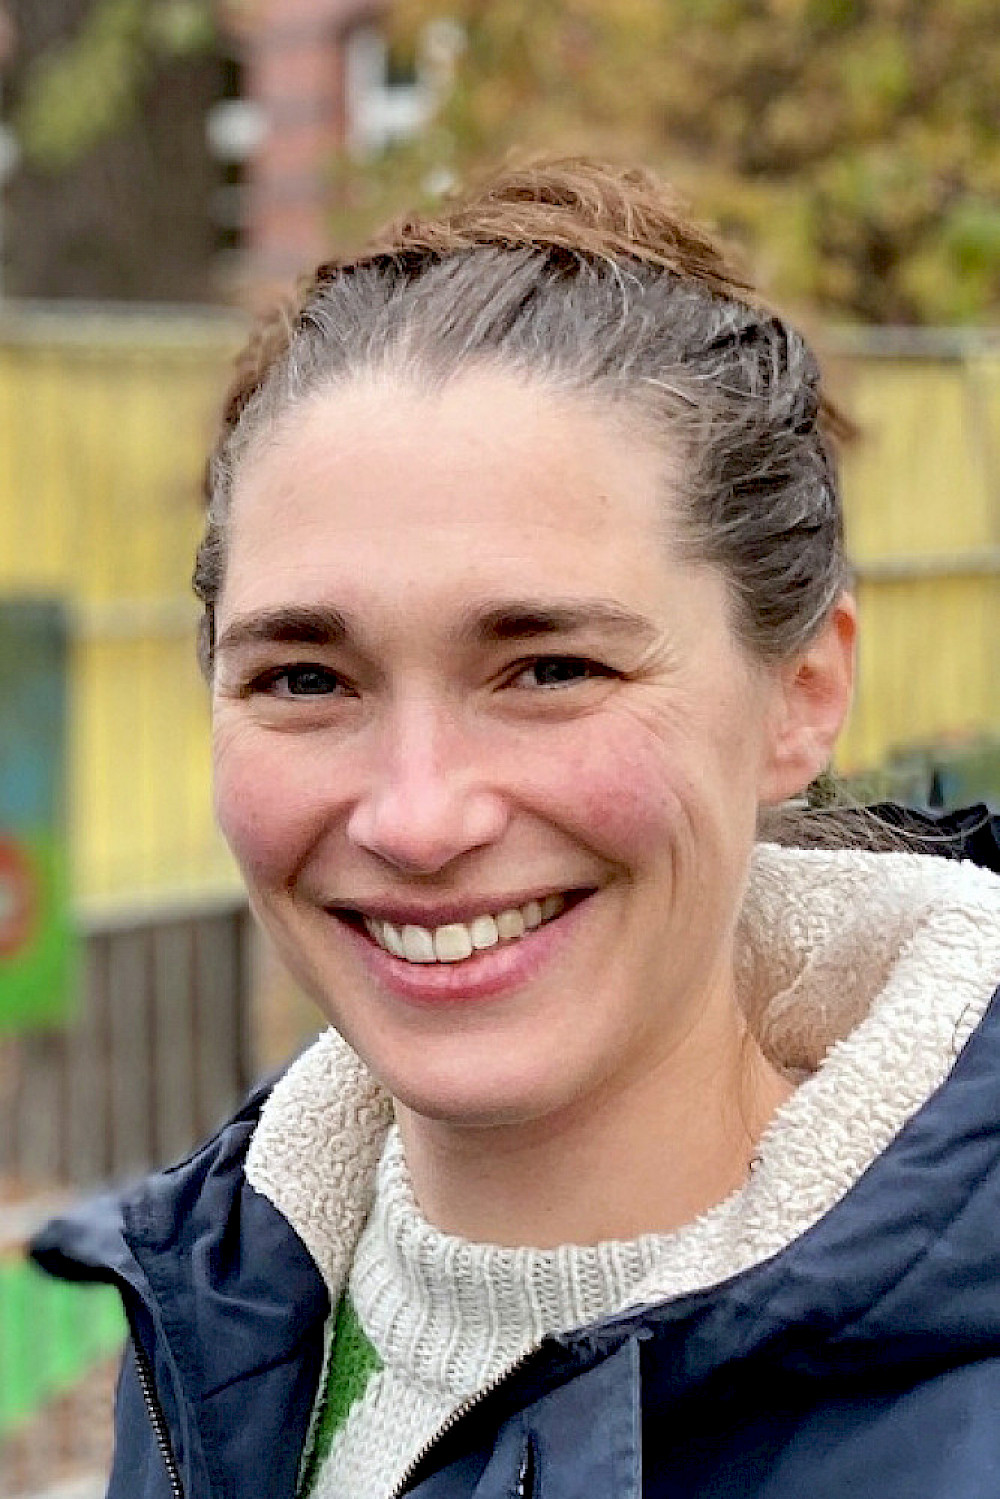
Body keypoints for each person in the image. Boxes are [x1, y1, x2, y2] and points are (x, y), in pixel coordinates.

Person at [33, 159, 1000, 1499]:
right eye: (305, 680)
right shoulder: (215, 1322)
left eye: (551, 670)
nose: (419, 817)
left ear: (804, 692)